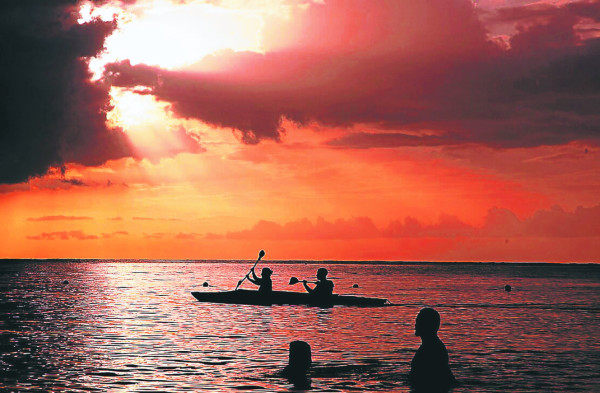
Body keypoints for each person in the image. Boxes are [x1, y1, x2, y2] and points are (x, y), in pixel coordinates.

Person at [409, 307, 458, 392]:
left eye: (419, 321)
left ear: (427, 325)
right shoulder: (431, 346)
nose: (415, 325)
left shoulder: (432, 349)